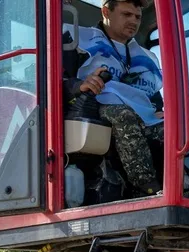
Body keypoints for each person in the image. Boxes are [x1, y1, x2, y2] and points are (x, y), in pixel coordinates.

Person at [65, 0, 165, 196]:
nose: (133, 21)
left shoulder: (145, 58)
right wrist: (80, 85)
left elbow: (153, 96)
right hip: (99, 106)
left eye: (137, 17)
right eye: (126, 15)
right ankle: (148, 187)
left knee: (179, 128)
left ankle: (188, 185)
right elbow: (52, 80)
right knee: (123, 115)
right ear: (106, 12)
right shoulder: (80, 41)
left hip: (142, 114)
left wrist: (161, 111)